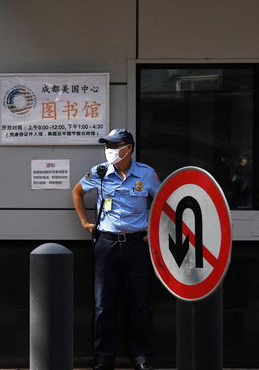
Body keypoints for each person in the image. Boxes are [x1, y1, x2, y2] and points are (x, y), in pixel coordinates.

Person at [71, 129, 160, 370]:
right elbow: (77, 192)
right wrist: (84, 222)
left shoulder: (146, 174)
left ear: (128, 148)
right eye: (107, 146)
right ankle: (103, 357)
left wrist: (154, 232)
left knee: (139, 302)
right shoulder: (100, 172)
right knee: (103, 304)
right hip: (106, 244)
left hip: (135, 245)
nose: (109, 150)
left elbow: (164, 202)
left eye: (114, 145)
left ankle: (142, 358)